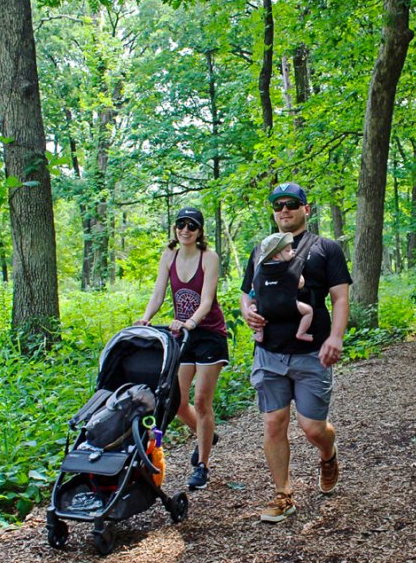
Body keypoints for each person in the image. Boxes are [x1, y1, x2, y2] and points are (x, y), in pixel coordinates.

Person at [240, 182, 352, 523]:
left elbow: (340, 297)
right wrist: (246, 311)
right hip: (270, 352)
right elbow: (247, 292)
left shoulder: (325, 249)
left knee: (312, 427)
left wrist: (335, 337)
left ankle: (328, 453)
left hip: (311, 353)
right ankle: (283, 494)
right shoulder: (262, 250)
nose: (283, 210)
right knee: (274, 423)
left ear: (306, 208)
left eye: (291, 204)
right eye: (277, 206)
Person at [135, 207, 227, 491]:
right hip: (182, 334)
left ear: (200, 232)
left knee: (201, 401)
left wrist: (190, 322)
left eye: (191, 226)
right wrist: (146, 317)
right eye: (180, 225)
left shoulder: (209, 258)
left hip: (208, 333)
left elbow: (207, 300)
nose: (185, 230)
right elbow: (159, 293)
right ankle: (206, 435)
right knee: (175, 401)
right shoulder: (169, 256)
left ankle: (203, 466)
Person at [250, 232, 314, 344]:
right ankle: (301, 333)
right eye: (288, 250)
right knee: (308, 311)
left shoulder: (260, 270)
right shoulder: (289, 268)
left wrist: (252, 305)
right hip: (287, 306)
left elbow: (254, 288)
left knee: (256, 315)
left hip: (265, 309)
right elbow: (300, 284)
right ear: (275, 256)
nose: (292, 252)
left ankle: (259, 334)